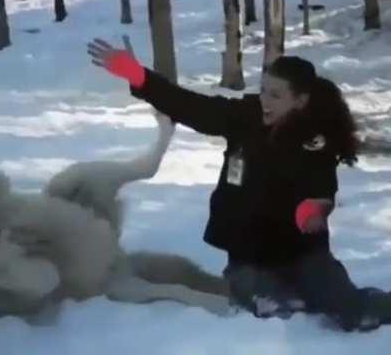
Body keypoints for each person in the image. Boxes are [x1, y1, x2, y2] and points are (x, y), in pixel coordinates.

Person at [87, 38, 391, 331]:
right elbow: (191, 106)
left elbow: (323, 186)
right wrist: (139, 76)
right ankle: (271, 294)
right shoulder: (244, 118)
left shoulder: (316, 139)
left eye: (276, 95)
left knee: (348, 309)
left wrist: (316, 206)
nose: (265, 101)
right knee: (269, 304)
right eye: (263, 91)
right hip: (250, 258)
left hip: (305, 255)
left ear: (301, 100)